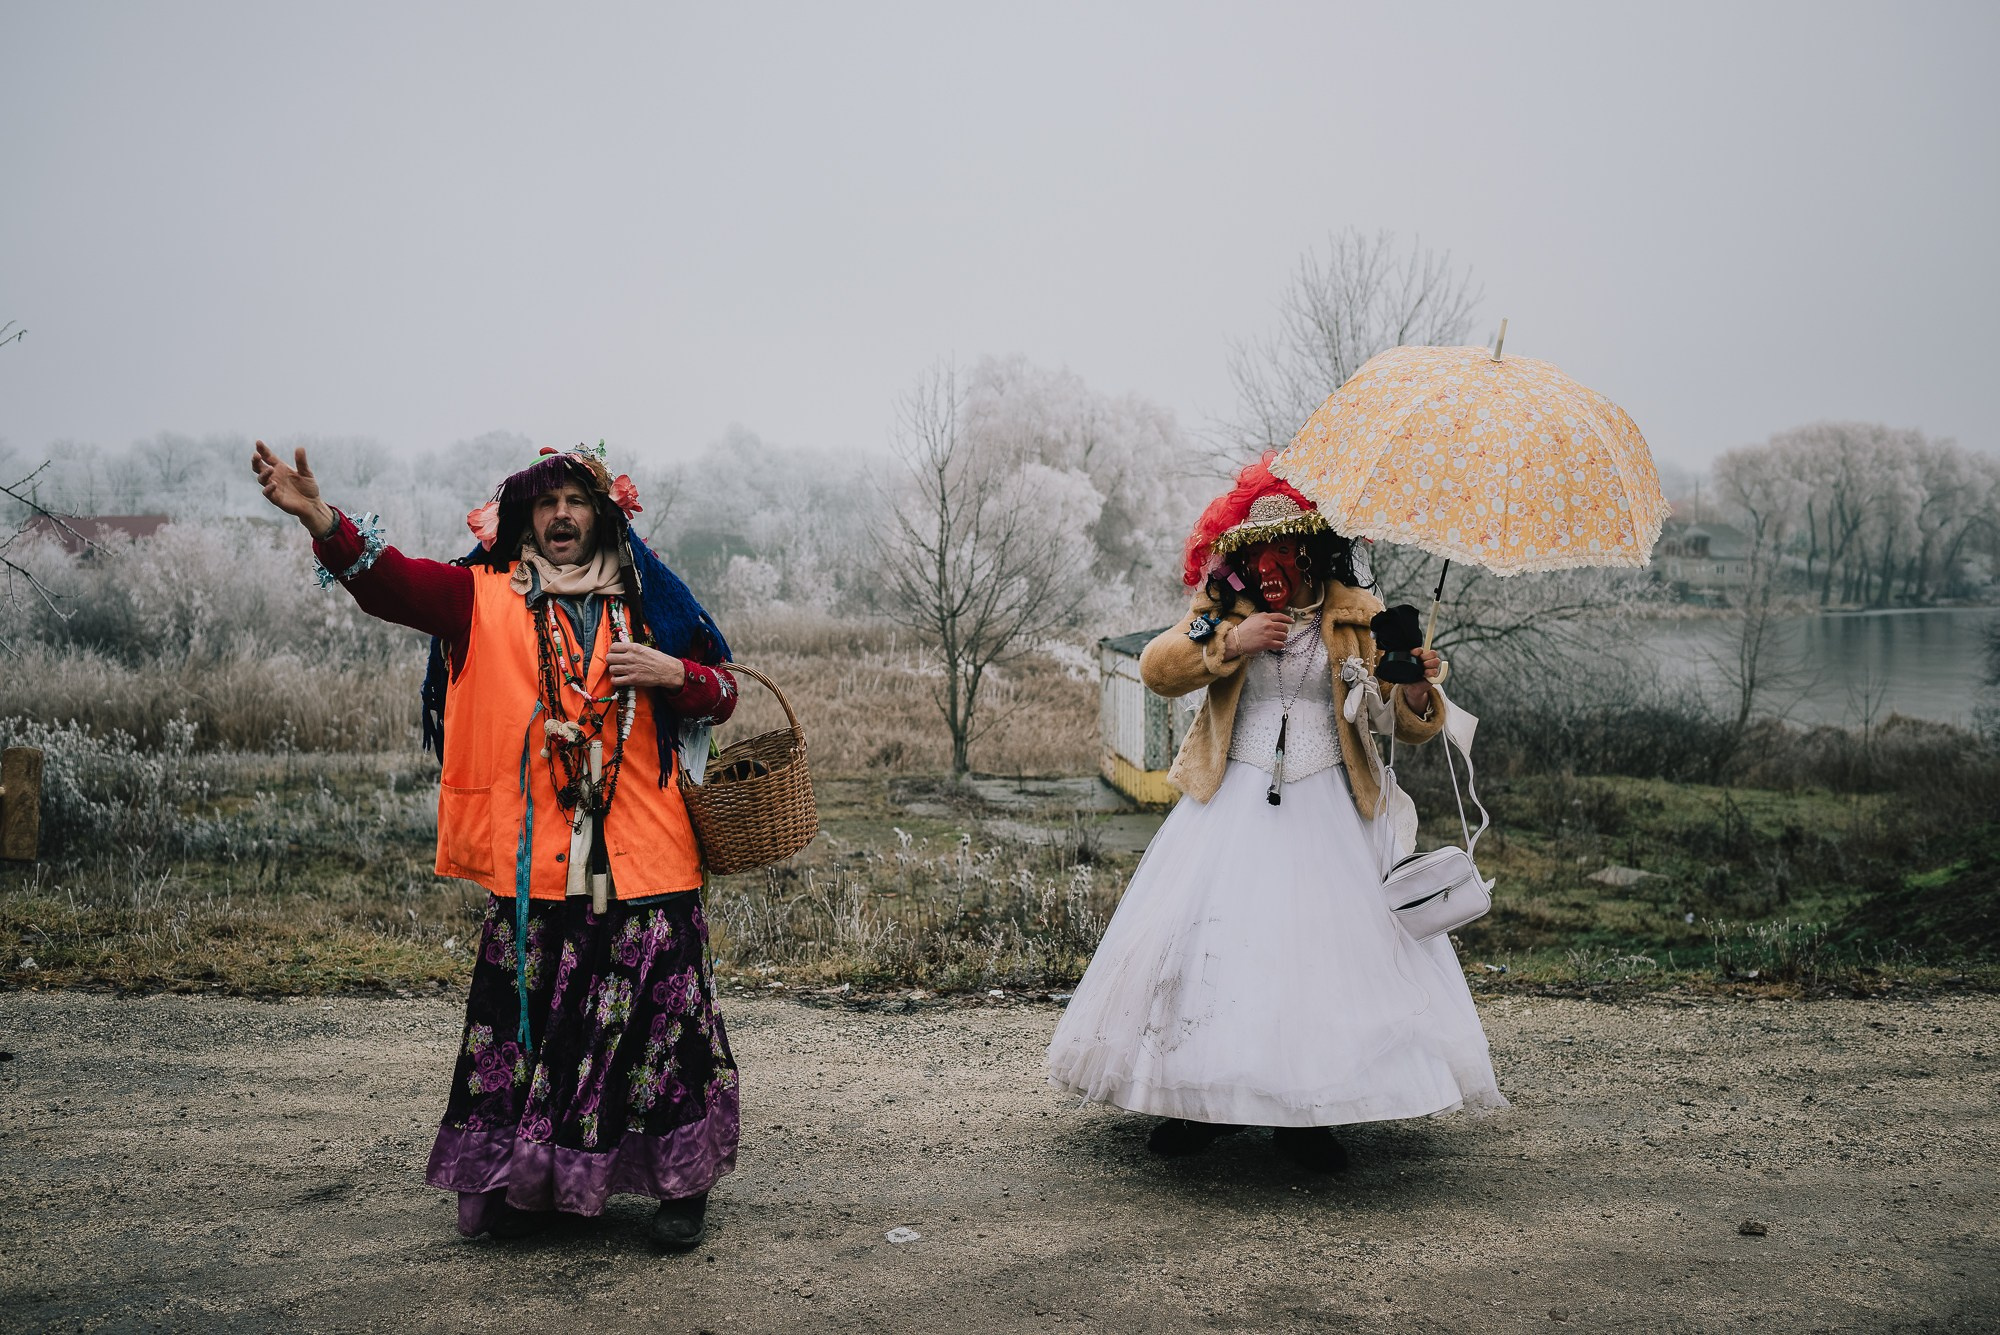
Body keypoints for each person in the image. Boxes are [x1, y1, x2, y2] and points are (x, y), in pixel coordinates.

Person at [252, 439, 740, 1250]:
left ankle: (678, 1186)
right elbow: (392, 584)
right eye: (545, 504)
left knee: (663, 1036)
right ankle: (536, 1184)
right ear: (522, 521)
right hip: (536, 870)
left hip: (651, 863)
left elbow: (724, 690)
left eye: (576, 502)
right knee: (533, 1034)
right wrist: (322, 520)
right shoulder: (482, 597)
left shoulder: (652, 601)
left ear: (602, 514)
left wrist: (669, 672)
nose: (560, 516)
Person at [1045, 454, 1504, 1170]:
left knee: (1316, 957)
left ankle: (1309, 1115)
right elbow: (1159, 667)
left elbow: (1402, 723)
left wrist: (1416, 690)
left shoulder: (1359, 616)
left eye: (1281, 553)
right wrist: (1231, 640)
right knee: (1217, 947)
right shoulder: (1222, 609)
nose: (1268, 569)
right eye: (1257, 554)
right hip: (1232, 798)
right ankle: (1200, 1106)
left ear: (1310, 551)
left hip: (1332, 803)